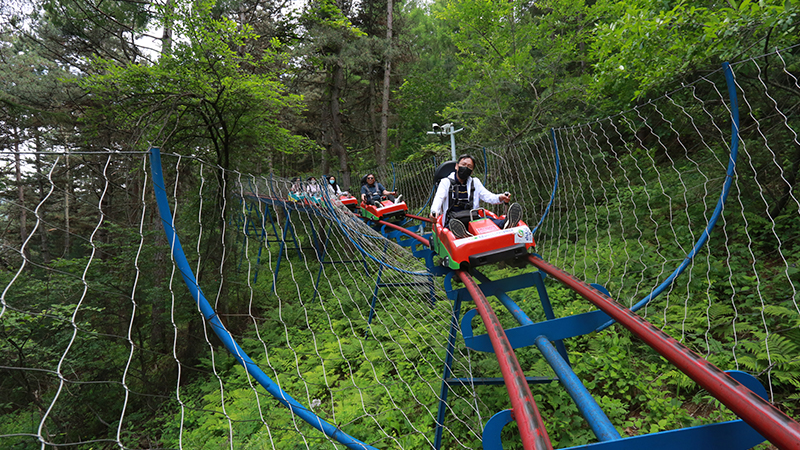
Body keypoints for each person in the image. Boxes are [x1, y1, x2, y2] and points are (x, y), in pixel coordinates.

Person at [430, 154, 522, 239]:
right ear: (457, 166)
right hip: (453, 221)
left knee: (490, 221)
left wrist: (501, 197)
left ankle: (506, 223)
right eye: (463, 165)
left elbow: (488, 196)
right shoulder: (446, 182)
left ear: (471, 171)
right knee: (456, 226)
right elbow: (439, 198)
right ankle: (463, 233)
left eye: (469, 166)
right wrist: (434, 212)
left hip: (473, 219)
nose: (466, 168)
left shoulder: (474, 182)